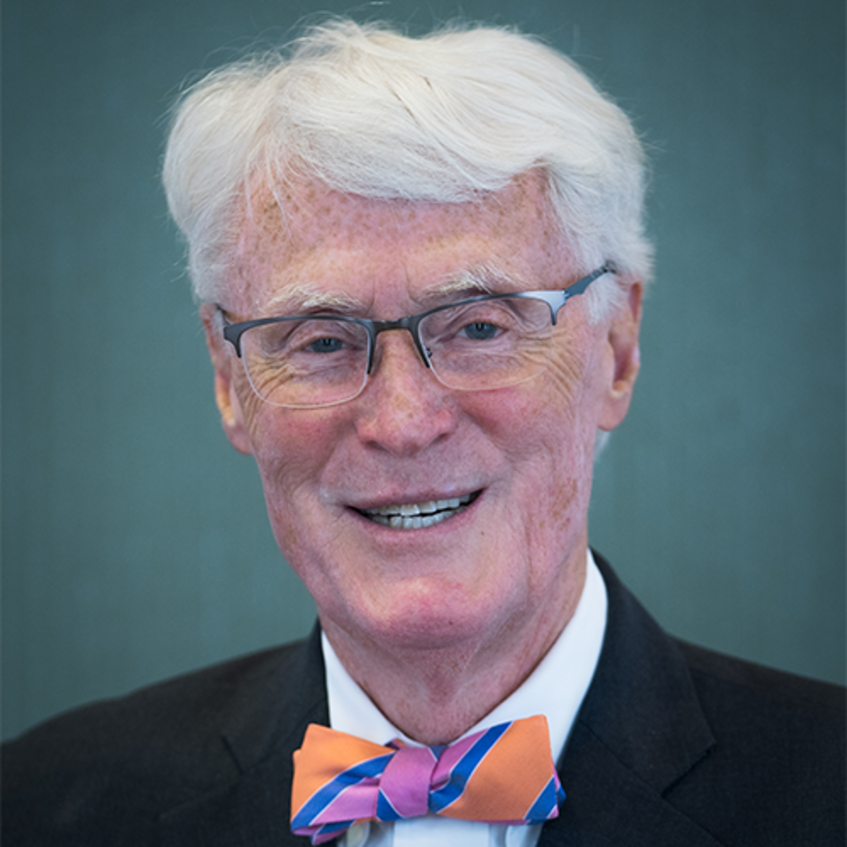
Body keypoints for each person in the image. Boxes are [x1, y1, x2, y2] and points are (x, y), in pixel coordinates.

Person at [3, 19, 843, 847]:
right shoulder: (42, 806)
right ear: (230, 380)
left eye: (479, 327)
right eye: (321, 342)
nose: (402, 423)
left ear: (616, 349)